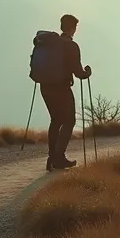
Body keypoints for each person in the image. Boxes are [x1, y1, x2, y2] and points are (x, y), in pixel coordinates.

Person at [43, 14, 91, 170]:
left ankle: (52, 157)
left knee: (55, 120)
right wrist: (87, 73)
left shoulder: (48, 44)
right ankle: (59, 157)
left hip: (45, 87)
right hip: (62, 88)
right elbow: (78, 72)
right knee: (69, 120)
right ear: (73, 28)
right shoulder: (71, 46)